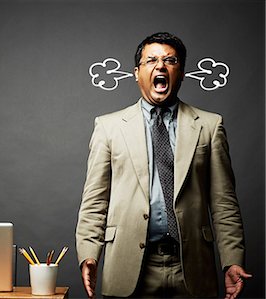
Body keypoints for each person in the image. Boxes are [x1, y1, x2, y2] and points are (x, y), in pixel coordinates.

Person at [75, 32, 251, 298]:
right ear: (136, 73)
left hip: (192, 266)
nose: (160, 66)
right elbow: (95, 200)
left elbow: (224, 202)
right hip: (128, 266)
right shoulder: (108, 127)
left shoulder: (209, 126)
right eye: (151, 60)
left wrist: (233, 259)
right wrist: (88, 253)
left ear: (180, 73)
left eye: (170, 60)